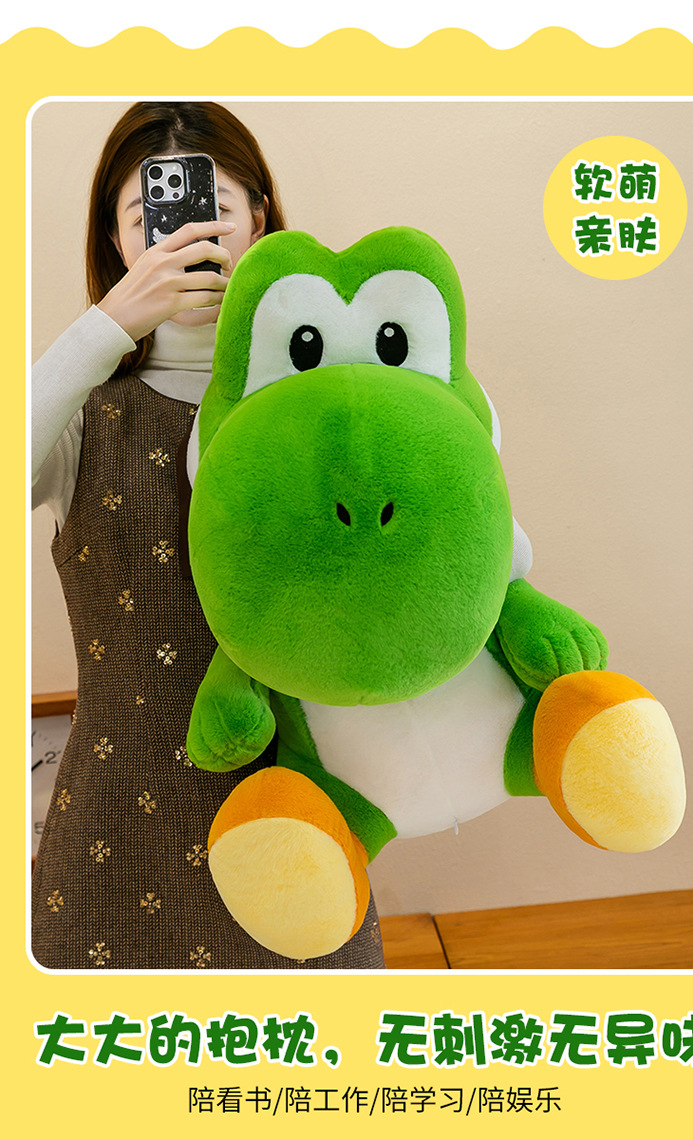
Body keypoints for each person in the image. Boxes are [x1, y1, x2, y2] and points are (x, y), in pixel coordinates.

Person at [31, 102, 385, 970]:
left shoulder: (328, 406)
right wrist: (108, 325)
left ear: (259, 219)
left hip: (295, 814)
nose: (185, 235)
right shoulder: (83, 415)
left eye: (214, 208)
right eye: (148, 217)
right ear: (117, 242)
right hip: (114, 826)